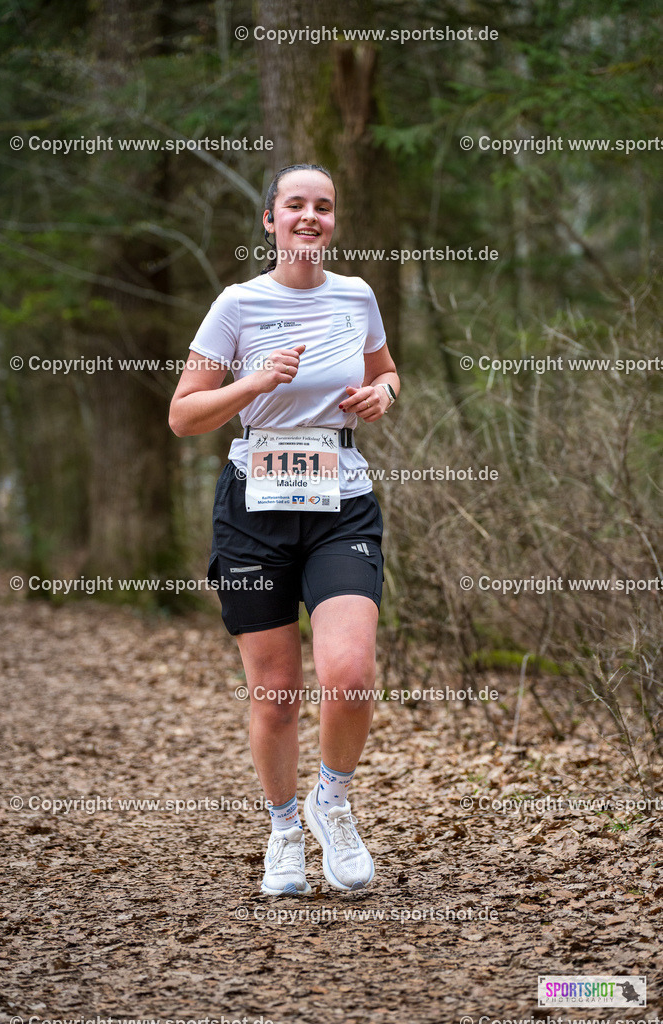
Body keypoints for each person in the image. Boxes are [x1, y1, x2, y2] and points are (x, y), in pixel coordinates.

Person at [169, 163, 399, 895]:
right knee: (274, 694)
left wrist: (382, 394)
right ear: (269, 219)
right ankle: (283, 831)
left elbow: (388, 371)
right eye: (294, 205)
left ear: (333, 220)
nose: (309, 217)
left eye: (322, 206)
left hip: (340, 503)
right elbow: (184, 414)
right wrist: (255, 382)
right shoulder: (237, 304)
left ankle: (333, 803)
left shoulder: (356, 295)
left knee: (349, 675)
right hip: (253, 510)